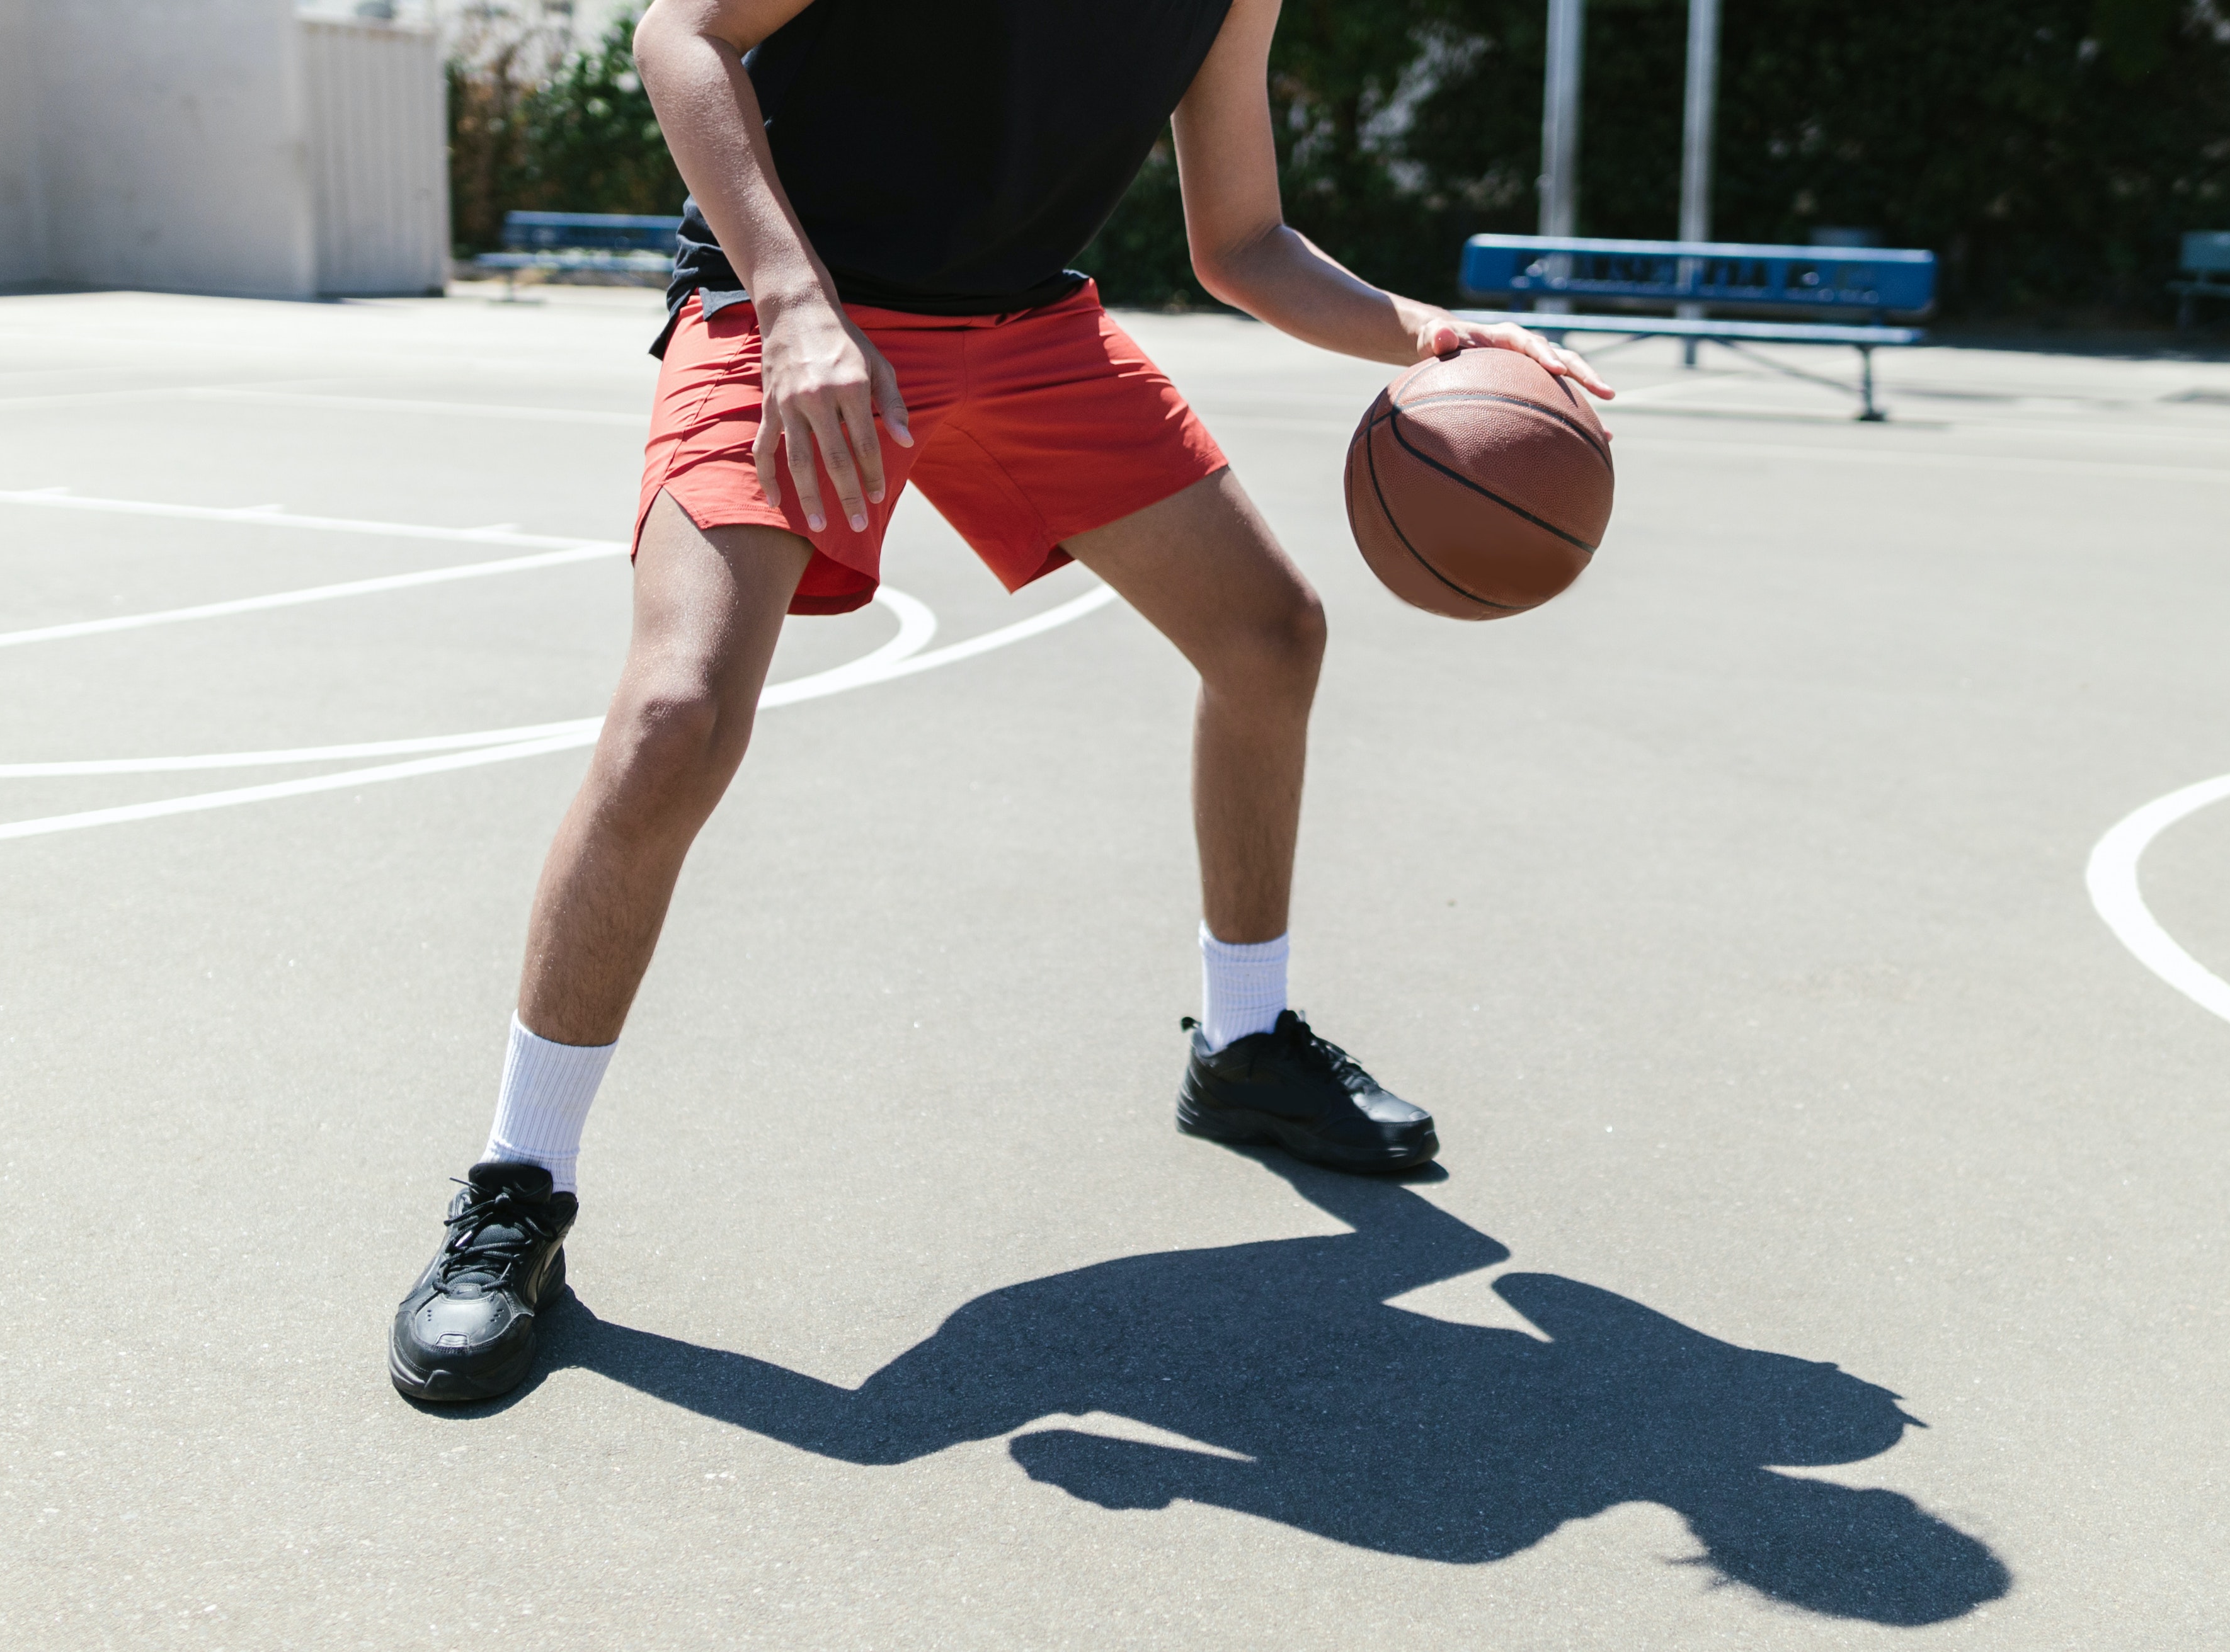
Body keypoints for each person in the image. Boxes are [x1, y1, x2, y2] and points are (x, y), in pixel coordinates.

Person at [389, 0, 1613, 1404]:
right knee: (676, 712)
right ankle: (515, 1190)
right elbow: (680, 34)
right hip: (788, 306)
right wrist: (793, 305)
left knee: (1269, 637)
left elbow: (1242, 245)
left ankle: (1244, 1046)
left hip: (1023, 332)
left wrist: (1429, 336)